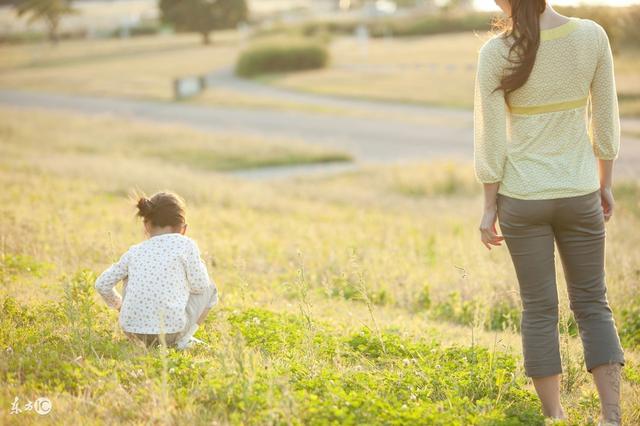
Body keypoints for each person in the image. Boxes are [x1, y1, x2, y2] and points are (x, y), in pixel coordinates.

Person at [473, 1, 625, 424]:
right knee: (594, 303)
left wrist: (489, 206)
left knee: (538, 309)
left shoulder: (496, 52)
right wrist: (605, 181)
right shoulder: (591, 35)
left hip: (522, 199)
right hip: (580, 193)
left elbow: (490, 138)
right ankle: (611, 416)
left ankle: (554, 416)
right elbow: (606, 118)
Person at [94, 191, 218, 350]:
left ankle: (143, 337)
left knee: (129, 278)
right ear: (183, 229)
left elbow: (102, 284)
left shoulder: (134, 251)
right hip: (171, 332)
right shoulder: (186, 244)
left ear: (146, 225)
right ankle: (182, 340)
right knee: (211, 287)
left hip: (134, 332)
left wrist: (121, 307)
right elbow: (200, 286)